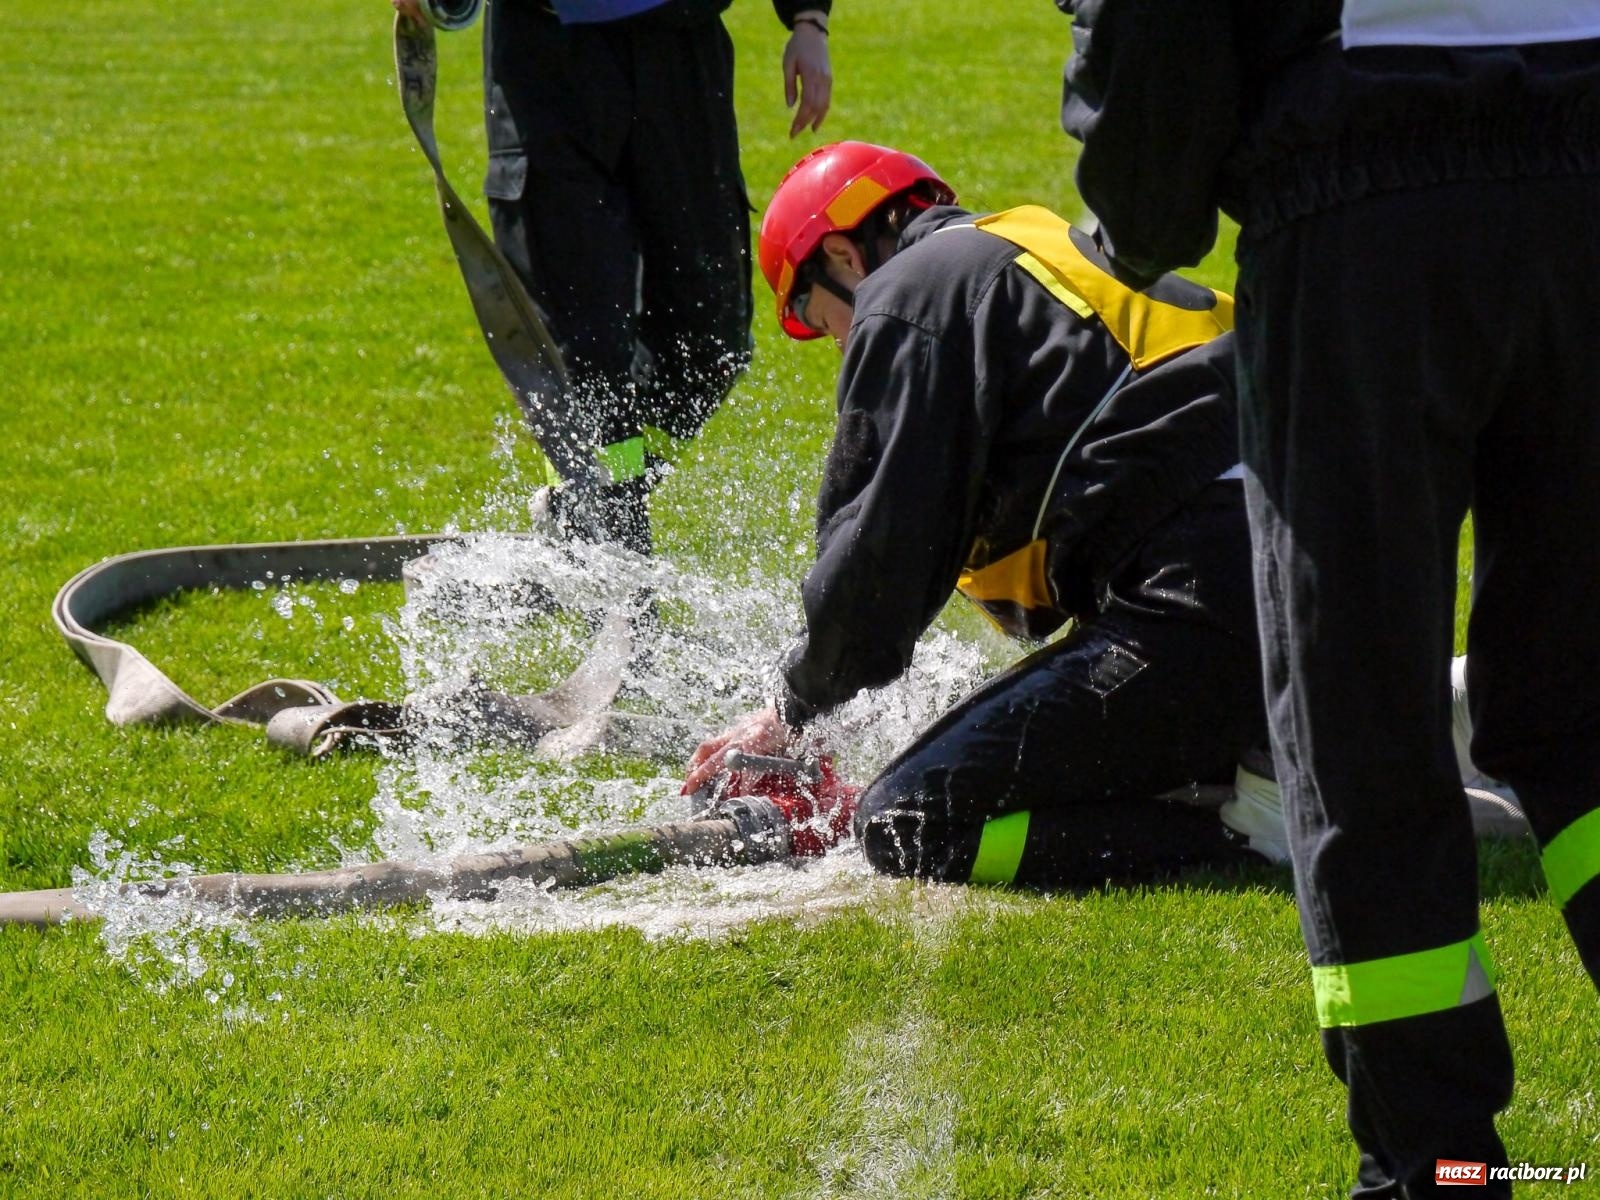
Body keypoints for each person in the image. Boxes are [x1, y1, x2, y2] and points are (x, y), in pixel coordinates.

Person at [1058, 3, 1600, 1194]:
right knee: (1577, 707)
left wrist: (1139, 210)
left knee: (1360, 724)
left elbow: (1160, 57)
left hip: (1365, 206)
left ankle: (1435, 1168)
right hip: (1583, 170)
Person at [685, 140, 1284, 886]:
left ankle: (1254, 832)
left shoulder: (905, 297)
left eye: (814, 315)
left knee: (904, 820)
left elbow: (882, 557)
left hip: (1215, 595)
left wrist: (793, 708)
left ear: (840, 252)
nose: (837, 343)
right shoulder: (1019, 246)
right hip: (1314, 557)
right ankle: (1312, 741)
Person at [389, 0, 835, 555]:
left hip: (679, 47)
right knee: (588, 355)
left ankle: (585, 493)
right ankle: (616, 551)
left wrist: (808, 20)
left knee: (712, 342)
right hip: (546, 62)